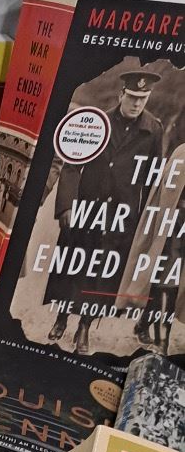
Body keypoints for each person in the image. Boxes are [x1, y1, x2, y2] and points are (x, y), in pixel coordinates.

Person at [44, 65, 164, 354]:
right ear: (121, 94)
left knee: (102, 276)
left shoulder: (153, 130)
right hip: (86, 209)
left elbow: (152, 179)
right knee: (72, 265)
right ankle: (62, 317)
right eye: (132, 96)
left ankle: (85, 326)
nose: (136, 103)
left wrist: (143, 222)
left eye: (142, 98)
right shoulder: (98, 122)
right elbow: (72, 165)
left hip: (120, 217)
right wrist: (66, 206)